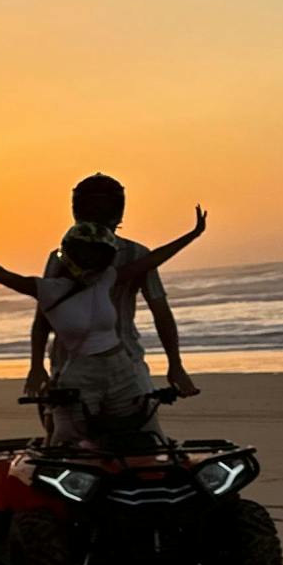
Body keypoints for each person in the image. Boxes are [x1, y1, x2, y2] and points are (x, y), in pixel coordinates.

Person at [0, 208, 208, 443]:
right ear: (71, 254)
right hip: (80, 374)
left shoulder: (107, 278)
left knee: (143, 433)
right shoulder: (48, 290)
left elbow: (151, 261)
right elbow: (2, 274)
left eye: (98, 254)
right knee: (68, 440)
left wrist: (192, 235)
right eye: (85, 254)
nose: (91, 261)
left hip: (122, 368)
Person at [26, 172, 199, 405]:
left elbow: (162, 314)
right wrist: (36, 367)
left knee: (69, 430)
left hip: (103, 362)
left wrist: (176, 366)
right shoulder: (135, 255)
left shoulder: (63, 256)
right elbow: (161, 311)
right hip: (86, 362)